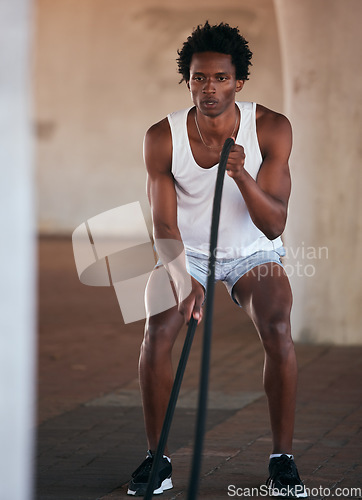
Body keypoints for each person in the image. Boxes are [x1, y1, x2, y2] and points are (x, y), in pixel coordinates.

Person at [127, 21, 307, 498]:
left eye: (221, 78)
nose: (210, 88)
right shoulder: (161, 137)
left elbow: (274, 225)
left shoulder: (270, 127)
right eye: (200, 78)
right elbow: (164, 226)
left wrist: (243, 175)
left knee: (278, 325)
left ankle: (282, 460)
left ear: (239, 82)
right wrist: (184, 280)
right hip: (188, 251)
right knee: (158, 327)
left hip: (252, 250)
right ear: (188, 80)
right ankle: (157, 459)